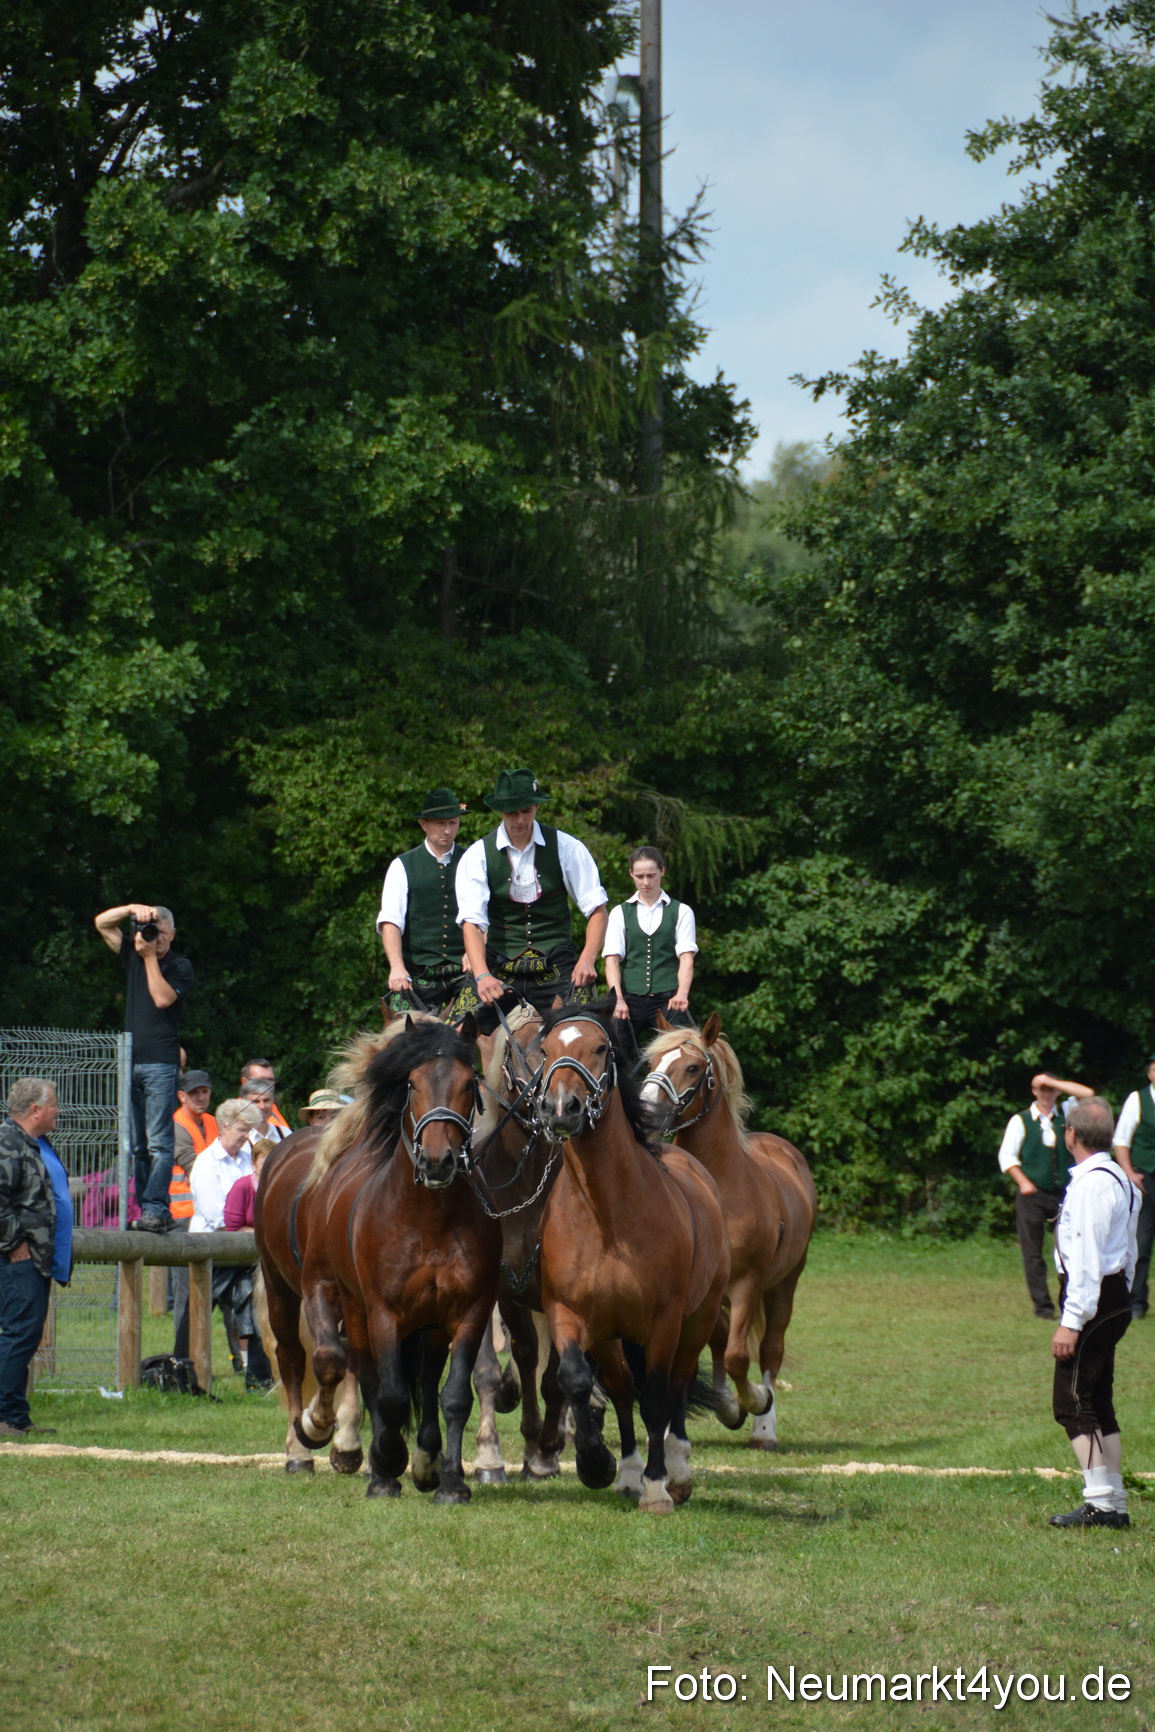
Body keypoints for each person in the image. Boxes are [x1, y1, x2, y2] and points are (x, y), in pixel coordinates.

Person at [1048, 1096, 1140, 1530]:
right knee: (1098, 1399)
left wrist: (1072, 1321)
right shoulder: (1121, 1179)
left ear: (1073, 1134)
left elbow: (1085, 1259)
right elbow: (1130, 1249)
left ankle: (1101, 1503)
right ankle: (1114, 1500)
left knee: (1071, 1402)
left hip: (1094, 1298)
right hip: (1114, 1293)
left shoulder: (1089, 1185)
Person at [456, 767, 608, 1014]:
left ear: (537, 807)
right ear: (500, 811)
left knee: (588, 1032)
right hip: (498, 965)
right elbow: (471, 922)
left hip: (556, 963)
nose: (519, 820)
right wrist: (482, 974)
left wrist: (588, 959)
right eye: (511, 812)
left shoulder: (567, 847)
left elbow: (598, 911)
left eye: (526, 811)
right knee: (456, 1033)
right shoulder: (477, 856)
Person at [94, 902, 194, 1232]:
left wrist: (150, 957)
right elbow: (101, 924)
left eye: (162, 932)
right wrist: (129, 909)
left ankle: (155, 1206)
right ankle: (147, 1208)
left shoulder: (179, 965)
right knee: (137, 1145)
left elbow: (163, 998)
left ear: (173, 934)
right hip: (130, 1061)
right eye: (152, 932)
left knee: (159, 1142)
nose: (156, 938)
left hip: (161, 1064)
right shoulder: (134, 954)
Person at [0, 1079, 73, 1437]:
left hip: (35, 1258)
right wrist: (15, 1244)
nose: (58, 1110)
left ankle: (16, 1416)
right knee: (18, 1333)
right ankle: (4, 1417)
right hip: (16, 1258)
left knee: (26, 1334)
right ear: (34, 1110)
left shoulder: (34, 1143)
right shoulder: (7, 1142)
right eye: (54, 1105)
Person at [997, 1071, 1094, 1317]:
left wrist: (1052, 1081)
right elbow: (1007, 1157)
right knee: (1033, 1251)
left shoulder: (1068, 1112)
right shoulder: (1021, 1120)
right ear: (1033, 1091)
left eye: (1049, 1088)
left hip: (1063, 1192)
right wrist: (1023, 1183)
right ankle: (1042, 1306)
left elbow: (1088, 1094)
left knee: (1068, 1251)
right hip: (1032, 1193)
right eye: (1041, 1088)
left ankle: (1070, 1304)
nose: (1045, 1092)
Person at [189, 1100, 270, 1386]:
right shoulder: (206, 1163)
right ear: (223, 1126)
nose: (245, 1136)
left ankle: (253, 1370)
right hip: (210, 1248)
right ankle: (188, 1365)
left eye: (249, 1130)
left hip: (244, 1250)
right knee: (197, 1310)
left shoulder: (248, 1157)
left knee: (249, 1303)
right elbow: (216, 1216)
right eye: (240, 1129)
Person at [377, 789, 470, 1011]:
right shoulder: (402, 866)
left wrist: (477, 953)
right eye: (440, 823)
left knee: (486, 1026)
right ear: (423, 824)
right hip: (418, 972)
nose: (447, 830)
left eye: (453, 823)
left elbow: (486, 913)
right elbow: (391, 921)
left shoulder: (473, 861)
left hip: (465, 970)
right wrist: (397, 967)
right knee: (403, 1035)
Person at [602, 846, 698, 1043]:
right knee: (614, 1051)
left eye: (651, 875)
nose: (645, 882)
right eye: (639, 876)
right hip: (629, 998)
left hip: (668, 999)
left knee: (678, 1054)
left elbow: (686, 958)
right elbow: (611, 960)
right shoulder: (620, 912)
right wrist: (618, 1000)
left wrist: (682, 994)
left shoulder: (682, 911)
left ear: (662, 871)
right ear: (631, 875)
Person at [170, 1071, 217, 1360]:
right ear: (182, 1096)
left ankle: (200, 1354)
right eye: (194, 1093)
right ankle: (182, 1357)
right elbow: (191, 1163)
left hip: (205, 1214)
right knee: (186, 1292)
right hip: (181, 1216)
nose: (201, 1097)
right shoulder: (176, 1124)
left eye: (205, 1092)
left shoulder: (211, 1122)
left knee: (207, 1289)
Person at [1111, 1053, 1155, 1319]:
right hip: (1146, 1179)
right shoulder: (1137, 1099)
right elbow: (1121, 1140)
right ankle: (1136, 1301)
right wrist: (1130, 1174)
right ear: (1149, 1073)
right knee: (1141, 1242)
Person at [239, 1060, 291, 1134]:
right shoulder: (232, 1114)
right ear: (244, 1082)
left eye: (270, 1080)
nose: (266, 1085)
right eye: (260, 1080)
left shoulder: (272, 1108)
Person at [239, 1077, 292, 1147]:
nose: (262, 1106)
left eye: (266, 1100)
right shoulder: (237, 1138)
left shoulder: (285, 1134)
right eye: (256, 1102)